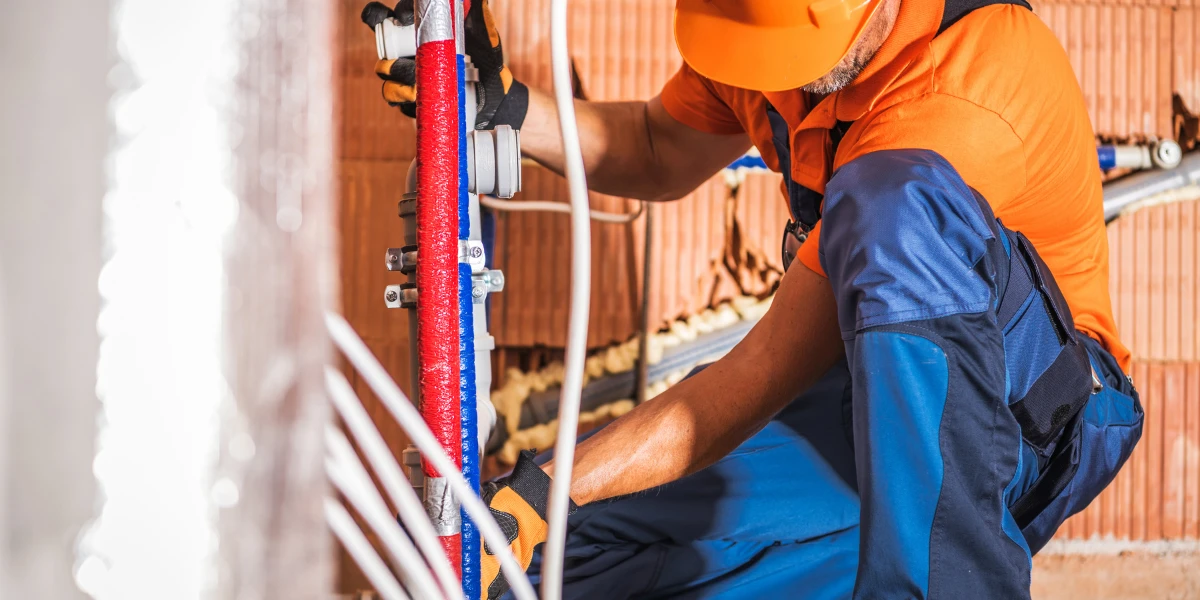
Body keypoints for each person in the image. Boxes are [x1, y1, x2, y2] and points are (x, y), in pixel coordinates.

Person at [362, 0, 1145, 597]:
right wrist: (510, 110)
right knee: (559, 556)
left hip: (1034, 411)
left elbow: (757, 372)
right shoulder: (765, 32)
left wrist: (541, 483)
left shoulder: (967, 85)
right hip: (862, 397)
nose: (785, 80)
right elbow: (657, 145)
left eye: (799, 57)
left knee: (893, 204)